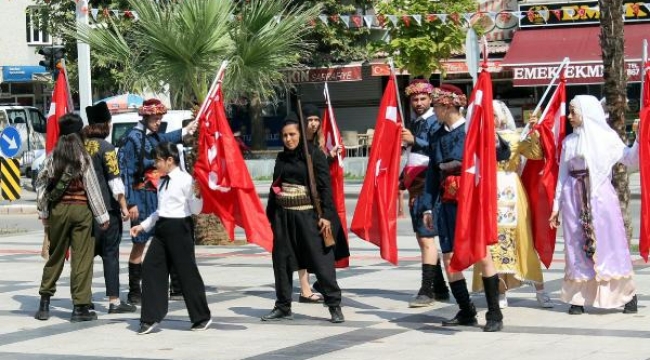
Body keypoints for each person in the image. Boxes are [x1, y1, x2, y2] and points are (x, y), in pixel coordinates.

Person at [422, 84, 511, 332]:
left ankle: (494, 313)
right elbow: (432, 172)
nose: (434, 110)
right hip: (446, 202)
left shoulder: (474, 130)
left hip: (471, 200)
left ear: (448, 105)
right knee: (449, 257)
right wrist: (428, 206)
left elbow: (502, 154)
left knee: (482, 254)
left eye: (437, 106)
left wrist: (494, 140)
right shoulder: (436, 134)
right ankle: (466, 309)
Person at [549, 95, 638, 315]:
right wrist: (555, 206)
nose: (569, 117)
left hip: (599, 196)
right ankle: (578, 298)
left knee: (609, 243)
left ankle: (626, 295)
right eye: (569, 111)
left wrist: (639, 137)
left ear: (586, 112)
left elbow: (630, 160)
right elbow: (561, 175)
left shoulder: (606, 138)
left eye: (573, 112)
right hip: (573, 196)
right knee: (576, 245)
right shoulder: (569, 142)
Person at [262, 112, 345, 323]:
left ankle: (334, 305)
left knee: (321, 261)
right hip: (284, 217)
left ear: (300, 134)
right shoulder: (281, 158)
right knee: (281, 261)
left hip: (309, 216)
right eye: (284, 136)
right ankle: (282, 306)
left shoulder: (314, 155)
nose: (288, 139)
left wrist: (326, 216)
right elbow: (275, 185)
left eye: (292, 134)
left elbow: (325, 187)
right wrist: (271, 215)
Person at [471, 100, 553, 309]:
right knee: (494, 242)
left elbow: (536, 154)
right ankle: (500, 290)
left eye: (495, 115)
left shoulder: (515, 137)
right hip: (489, 192)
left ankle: (540, 290)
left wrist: (534, 132)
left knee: (522, 239)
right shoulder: (479, 140)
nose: (493, 120)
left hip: (511, 189)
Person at [117, 98, 197, 304]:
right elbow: (126, 172)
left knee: (165, 239)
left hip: (157, 195)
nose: (158, 121)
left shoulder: (153, 136)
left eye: (160, 117)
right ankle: (135, 291)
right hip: (141, 196)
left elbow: (165, 138)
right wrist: (131, 202)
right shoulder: (131, 139)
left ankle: (175, 287)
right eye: (155, 118)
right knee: (139, 244)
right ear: (145, 117)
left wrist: (185, 131)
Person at [34, 113, 109, 322]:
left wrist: (44, 213)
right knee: (82, 258)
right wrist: (102, 216)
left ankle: (44, 302)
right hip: (81, 211)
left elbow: (41, 186)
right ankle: (79, 308)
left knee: (56, 255)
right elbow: (92, 189)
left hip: (58, 210)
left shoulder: (52, 157)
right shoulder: (83, 157)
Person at [131, 142, 211, 334]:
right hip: (162, 229)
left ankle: (202, 317)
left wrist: (198, 194)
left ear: (170, 160)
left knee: (186, 273)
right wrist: (142, 226)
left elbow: (195, 210)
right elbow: (160, 211)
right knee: (150, 268)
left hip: (180, 228)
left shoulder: (186, 180)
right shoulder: (162, 181)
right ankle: (150, 318)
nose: (155, 164)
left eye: (158, 160)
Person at [82, 102, 137, 314]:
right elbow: (114, 180)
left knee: (85, 257)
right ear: (106, 124)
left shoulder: (78, 145)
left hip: (84, 212)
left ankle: (83, 300)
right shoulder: (106, 149)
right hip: (106, 211)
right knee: (110, 255)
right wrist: (123, 206)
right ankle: (114, 301)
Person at [401, 79, 449, 307]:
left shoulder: (434, 121)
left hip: (429, 187)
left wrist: (414, 140)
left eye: (422, 98)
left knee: (427, 237)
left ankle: (427, 289)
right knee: (423, 238)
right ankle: (440, 288)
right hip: (416, 187)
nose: (418, 103)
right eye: (414, 99)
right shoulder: (417, 121)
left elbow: (437, 150)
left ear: (430, 99)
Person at [296, 104, 349, 304]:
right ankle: (305, 289)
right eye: (309, 120)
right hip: (303, 204)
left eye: (316, 120)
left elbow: (316, 174)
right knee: (303, 246)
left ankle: (321, 281)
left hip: (322, 203)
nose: (314, 123)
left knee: (328, 241)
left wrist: (329, 157)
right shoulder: (298, 144)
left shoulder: (316, 145)